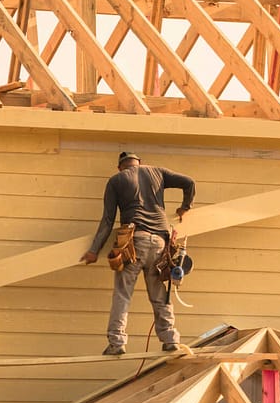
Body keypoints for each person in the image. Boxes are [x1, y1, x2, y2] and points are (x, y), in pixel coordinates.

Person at [80, 151, 195, 355]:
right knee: (160, 296)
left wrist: (93, 251)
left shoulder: (116, 180)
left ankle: (117, 342)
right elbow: (189, 182)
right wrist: (184, 207)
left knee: (123, 294)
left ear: (120, 167)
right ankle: (170, 339)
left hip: (134, 243)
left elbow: (108, 220)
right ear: (139, 162)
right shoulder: (157, 172)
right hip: (160, 244)